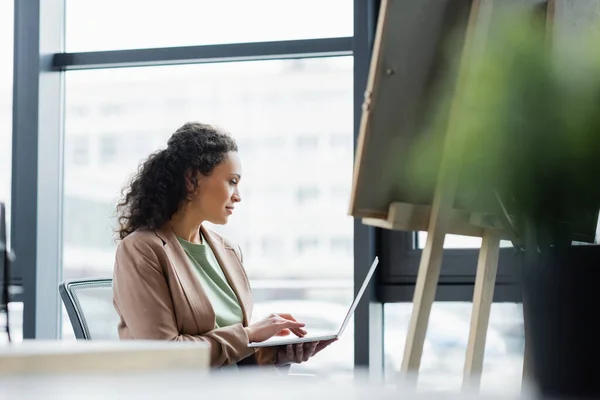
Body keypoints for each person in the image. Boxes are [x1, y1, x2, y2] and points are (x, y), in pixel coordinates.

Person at [112, 122, 335, 369]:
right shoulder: (142, 250)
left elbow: (230, 354)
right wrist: (250, 335)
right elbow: (166, 355)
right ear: (191, 179)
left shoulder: (228, 251)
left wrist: (274, 356)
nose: (238, 195)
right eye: (231, 181)